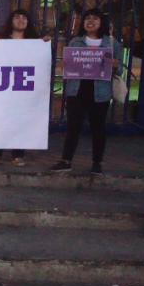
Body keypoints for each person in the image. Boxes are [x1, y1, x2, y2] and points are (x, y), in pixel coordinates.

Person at [49, 9, 122, 175]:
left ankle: (97, 163)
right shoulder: (76, 42)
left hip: (100, 92)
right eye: (87, 18)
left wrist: (116, 66)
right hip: (77, 90)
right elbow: (69, 63)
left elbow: (120, 70)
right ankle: (66, 161)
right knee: (73, 127)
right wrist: (65, 65)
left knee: (98, 128)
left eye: (95, 18)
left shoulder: (112, 43)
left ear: (101, 22)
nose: (90, 21)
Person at [0, 9, 51, 166]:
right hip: (3, 87)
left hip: (23, 88)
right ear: (11, 21)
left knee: (21, 120)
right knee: (0, 119)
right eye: (17, 17)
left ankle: (18, 154)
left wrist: (44, 45)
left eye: (24, 17)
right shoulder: (0, 39)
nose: (21, 20)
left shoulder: (34, 42)